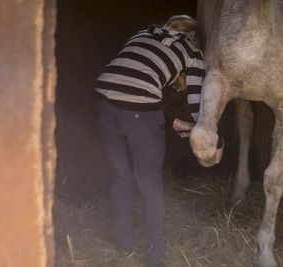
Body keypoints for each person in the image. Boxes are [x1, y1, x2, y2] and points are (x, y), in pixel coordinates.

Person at [94, 15, 214, 267]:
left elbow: (132, 81)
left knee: (121, 177)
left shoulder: (143, 33)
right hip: (138, 111)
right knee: (149, 185)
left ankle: (124, 245)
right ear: (192, 35)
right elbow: (197, 105)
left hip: (103, 102)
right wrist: (210, 133)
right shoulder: (192, 50)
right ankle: (153, 257)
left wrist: (170, 122)